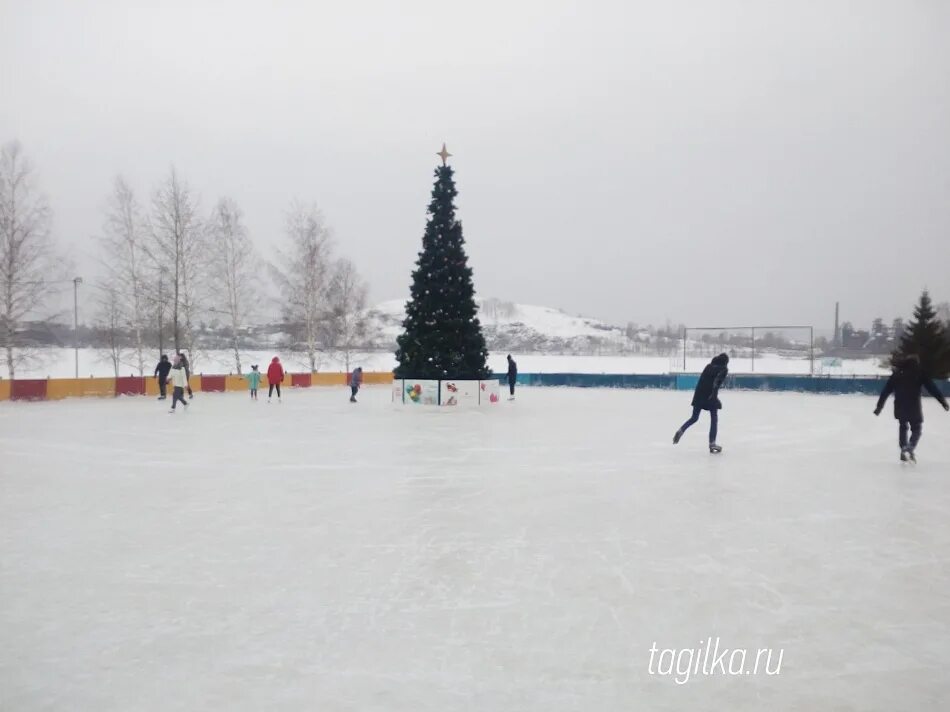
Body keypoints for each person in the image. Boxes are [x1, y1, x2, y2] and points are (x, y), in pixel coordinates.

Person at [874, 353, 949, 462]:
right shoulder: (919, 372)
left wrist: (879, 407)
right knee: (916, 428)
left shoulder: (897, 373)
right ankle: (910, 446)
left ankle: (904, 447)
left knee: (903, 426)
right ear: (916, 362)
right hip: (914, 405)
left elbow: (886, 391)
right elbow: (932, 388)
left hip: (899, 404)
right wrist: (943, 402)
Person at [673, 353, 729, 453]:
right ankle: (712, 443)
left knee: (694, 418)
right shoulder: (723, 369)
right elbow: (716, 383)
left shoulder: (708, 366)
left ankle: (681, 430)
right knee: (714, 419)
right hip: (710, 396)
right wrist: (715, 398)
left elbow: (702, 381)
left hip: (698, 394)